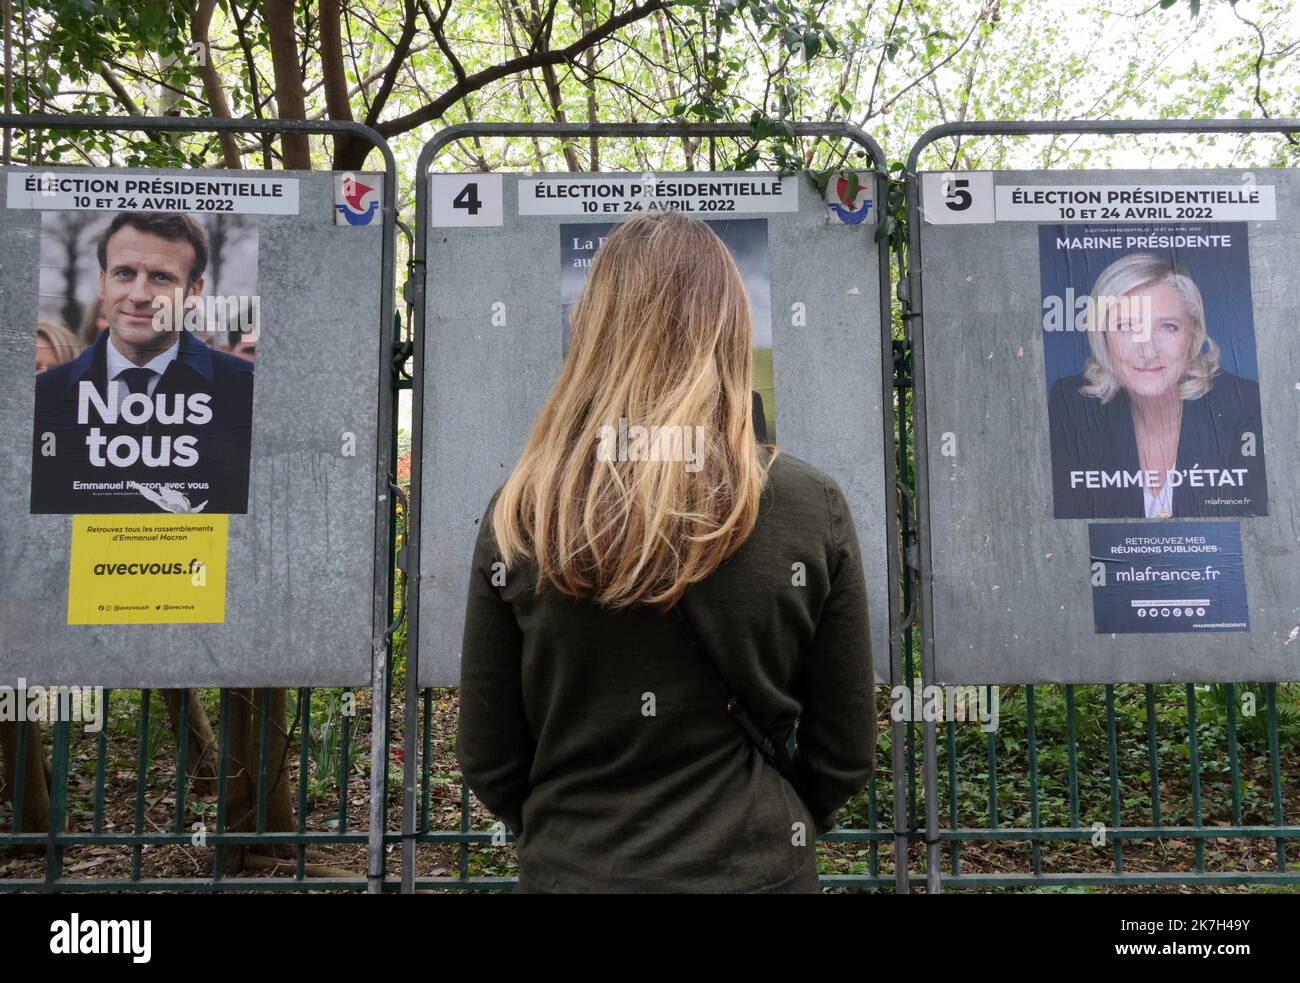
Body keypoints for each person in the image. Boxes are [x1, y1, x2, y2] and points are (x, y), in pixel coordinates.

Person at [457, 211, 876, 893]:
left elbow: (488, 755)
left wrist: (571, 838)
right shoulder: (806, 504)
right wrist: (774, 818)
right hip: (758, 872)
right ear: (730, 331)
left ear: (594, 332)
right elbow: (844, 751)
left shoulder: (526, 509)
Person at [30, 212, 255, 514]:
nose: (138, 295)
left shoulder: (247, 391)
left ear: (194, 292)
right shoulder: (43, 396)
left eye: (161, 277)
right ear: (102, 282)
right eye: (124, 273)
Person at [1048, 253, 1266, 519]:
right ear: (1102, 336)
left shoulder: (1243, 406)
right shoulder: (1071, 407)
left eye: (1168, 327)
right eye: (1126, 326)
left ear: (1193, 333)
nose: (1148, 351)